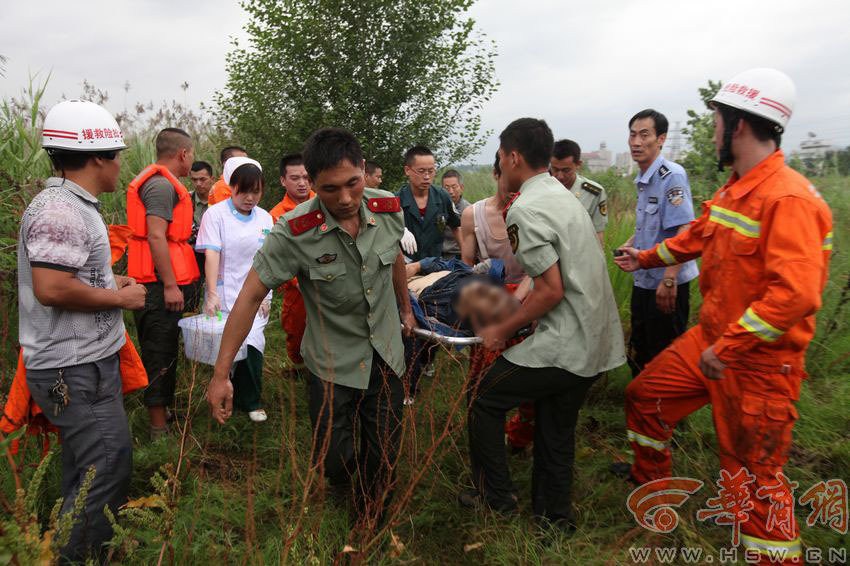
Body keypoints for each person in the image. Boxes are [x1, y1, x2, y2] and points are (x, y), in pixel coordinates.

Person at [614, 68, 832, 565]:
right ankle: (654, 494)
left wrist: (728, 348)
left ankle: (774, 556)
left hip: (756, 362)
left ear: (736, 125)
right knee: (644, 397)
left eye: (715, 122)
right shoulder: (738, 188)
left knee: (753, 476)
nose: (712, 132)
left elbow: (794, 296)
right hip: (709, 341)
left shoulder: (788, 197)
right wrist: (645, 258)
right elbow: (696, 235)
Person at [206, 128, 416, 525]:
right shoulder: (294, 232)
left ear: (363, 170)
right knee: (332, 457)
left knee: (384, 452)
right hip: (331, 361)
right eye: (331, 189)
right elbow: (249, 297)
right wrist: (221, 374)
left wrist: (406, 309)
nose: (347, 198)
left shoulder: (388, 209)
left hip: (386, 353)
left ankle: (369, 521)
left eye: (353, 183)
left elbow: (396, 262)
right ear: (314, 186)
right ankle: (345, 481)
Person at [464, 118, 625, 531]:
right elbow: (547, 276)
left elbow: (550, 289)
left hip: (566, 343)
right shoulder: (563, 194)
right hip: (595, 341)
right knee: (556, 427)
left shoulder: (526, 208)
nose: (501, 162)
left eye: (500, 156)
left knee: (484, 397)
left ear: (513, 157)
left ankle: (493, 496)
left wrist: (501, 330)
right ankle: (554, 520)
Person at [19, 100, 147, 562]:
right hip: (73, 369)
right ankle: (77, 557)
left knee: (85, 469)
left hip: (86, 364)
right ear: (98, 158)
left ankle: (62, 544)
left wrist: (111, 282)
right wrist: (121, 298)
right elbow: (51, 287)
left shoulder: (74, 205)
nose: (120, 164)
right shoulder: (60, 211)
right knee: (108, 465)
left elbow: (72, 277)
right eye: (117, 155)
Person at [127, 128, 200, 439]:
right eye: (191, 154)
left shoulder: (165, 184)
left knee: (167, 349)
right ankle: (158, 429)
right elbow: (156, 235)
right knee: (159, 352)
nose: (192, 160)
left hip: (161, 283)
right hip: (157, 287)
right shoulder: (159, 186)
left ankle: (164, 410)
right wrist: (170, 285)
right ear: (183, 154)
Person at [196, 158, 273, 422]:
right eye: (244, 191)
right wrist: (213, 294)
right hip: (224, 293)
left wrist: (268, 295)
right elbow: (212, 255)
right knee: (226, 350)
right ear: (232, 188)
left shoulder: (265, 218)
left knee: (252, 345)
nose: (250, 198)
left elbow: (268, 260)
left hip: (255, 294)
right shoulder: (215, 215)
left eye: (256, 192)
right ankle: (222, 397)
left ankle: (250, 401)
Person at [624, 109, 699, 377]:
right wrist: (629, 245)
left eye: (645, 135)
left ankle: (665, 415)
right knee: (641, 347)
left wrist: (669, 279)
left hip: (667, 282)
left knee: (665, 355)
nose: (636, 142)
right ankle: (641, 410)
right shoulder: (644, 179)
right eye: (632, 135)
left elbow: (684, 227)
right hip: (644, 278)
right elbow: (650, 227)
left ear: (661, 139)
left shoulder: (672, 176)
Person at [268, 153, 316, 371]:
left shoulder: (324, 204)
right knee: (296, 334)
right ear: (283, 180)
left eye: (306, 177)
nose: (302, 183)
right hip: (297, 289)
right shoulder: (276, 216)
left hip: (330, 279)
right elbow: (279, 257)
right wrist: (299, 282)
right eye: (295, 178)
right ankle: (302, 368)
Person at [460, 153, 526, 285]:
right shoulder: (473, 215)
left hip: (531, 295)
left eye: (521, 183)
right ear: (496, 174)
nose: (515, 189)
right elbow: (466, 265)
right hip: (491, 295)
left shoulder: (534, 213)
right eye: (510, 181)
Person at [397, 145, 461, 261]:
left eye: (431, 171)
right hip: (407, 267)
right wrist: (399, 231)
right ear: (407, 170)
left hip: (435, 265)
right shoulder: (396, 201)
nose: (427, 177)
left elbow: (456, 227)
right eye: (421, 171)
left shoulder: (442, 197)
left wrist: (467, 261)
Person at [549, 139, 607, 246]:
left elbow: (598, 234)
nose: (560, 176)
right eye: (555, 169)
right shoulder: (541, 188)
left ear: (578, 165)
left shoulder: (594, 193)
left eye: (566, 170)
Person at [189, 160, 214, 283]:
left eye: (202, 179)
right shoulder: (185, 200)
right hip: (192, 256)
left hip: (216, 253)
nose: (198, 184)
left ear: (212, 179)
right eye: (194, 180)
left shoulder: (222, 201)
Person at [441, 169, 471, 258]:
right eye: (446, 188)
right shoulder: (437, 208)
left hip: (460, 255)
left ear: (461, 188)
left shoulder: (469, 210)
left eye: (454, 187)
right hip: (439, 254)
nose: (450, 191)